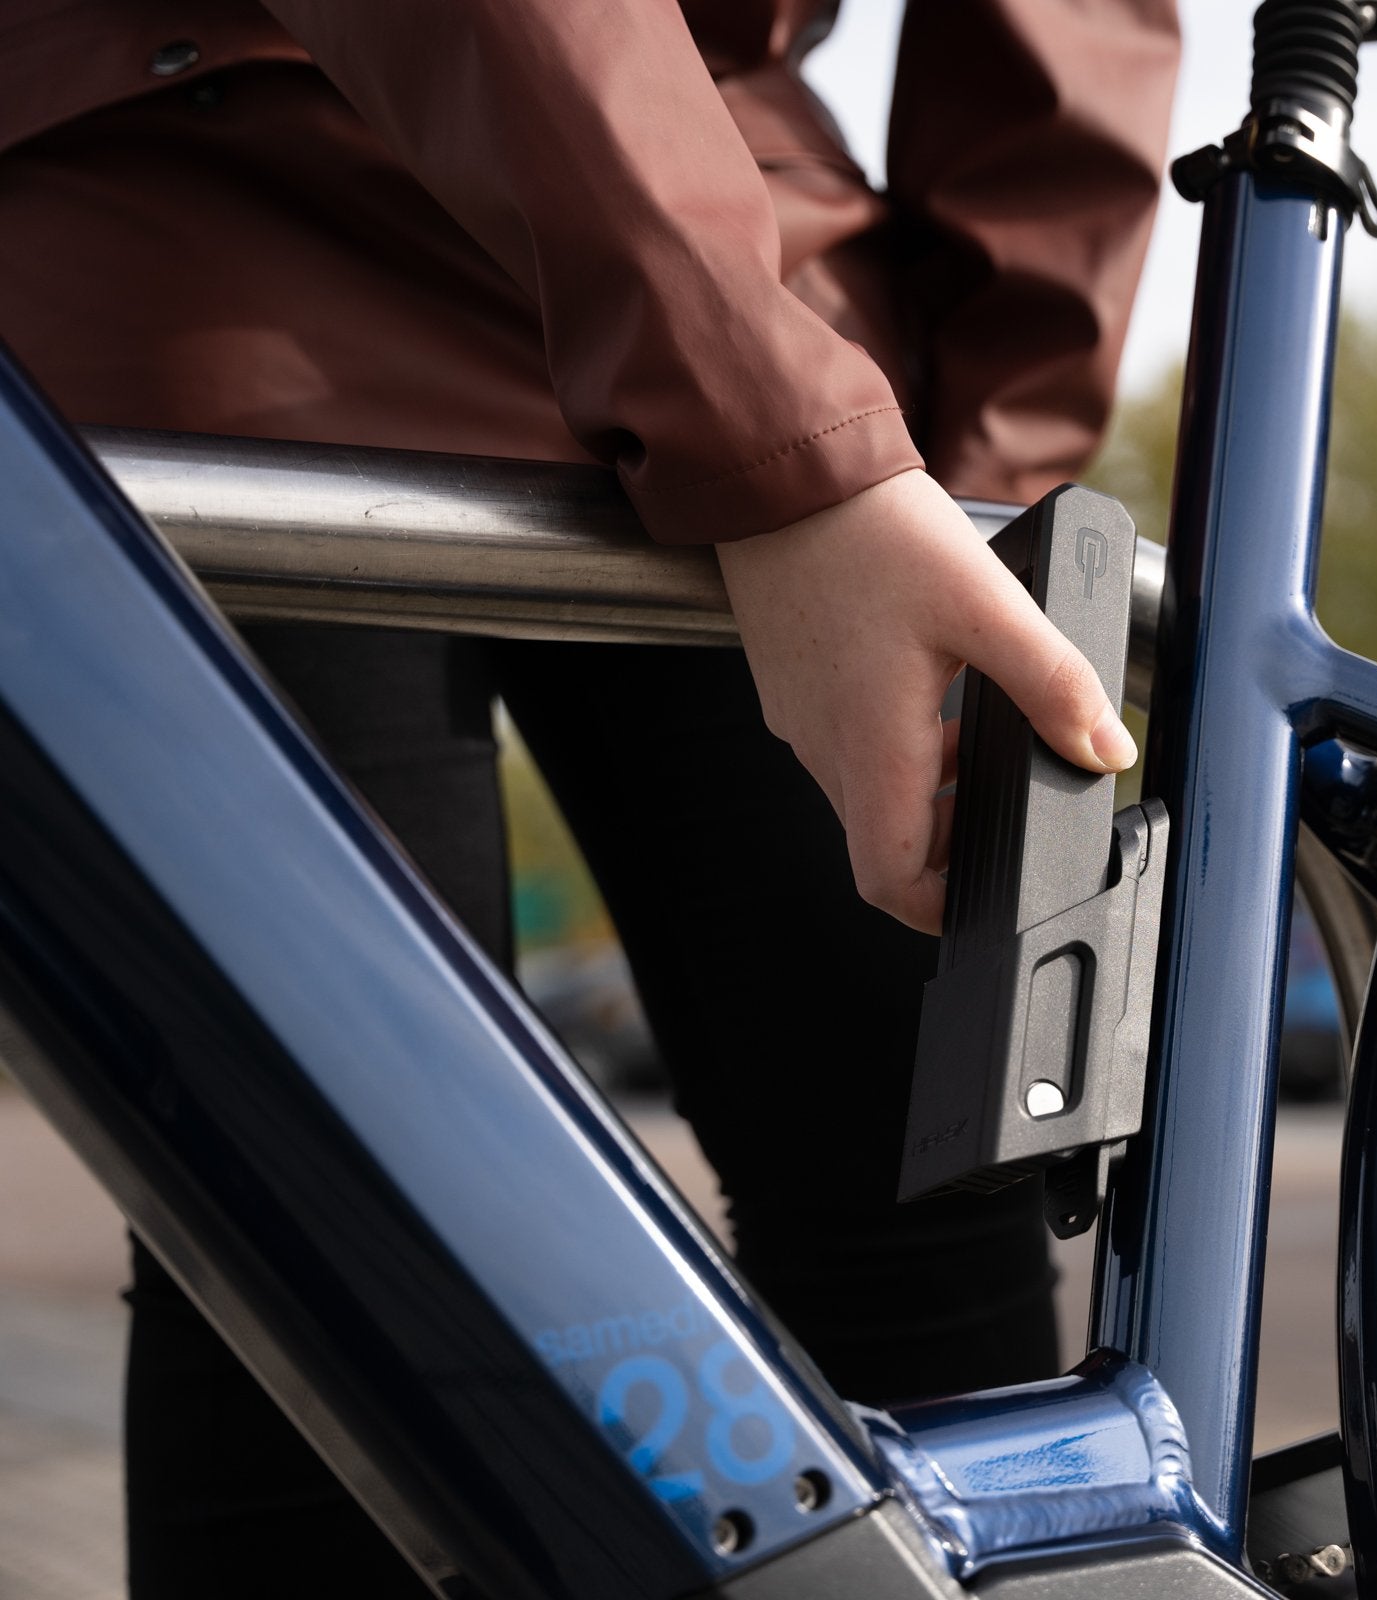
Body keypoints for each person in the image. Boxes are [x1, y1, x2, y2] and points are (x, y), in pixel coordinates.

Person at [0, 0, 1180, 1592]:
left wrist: (950, 477)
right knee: (339, 1230)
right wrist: (838, 441)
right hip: (252, 229)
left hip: (646, 266)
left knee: (343, 1249)